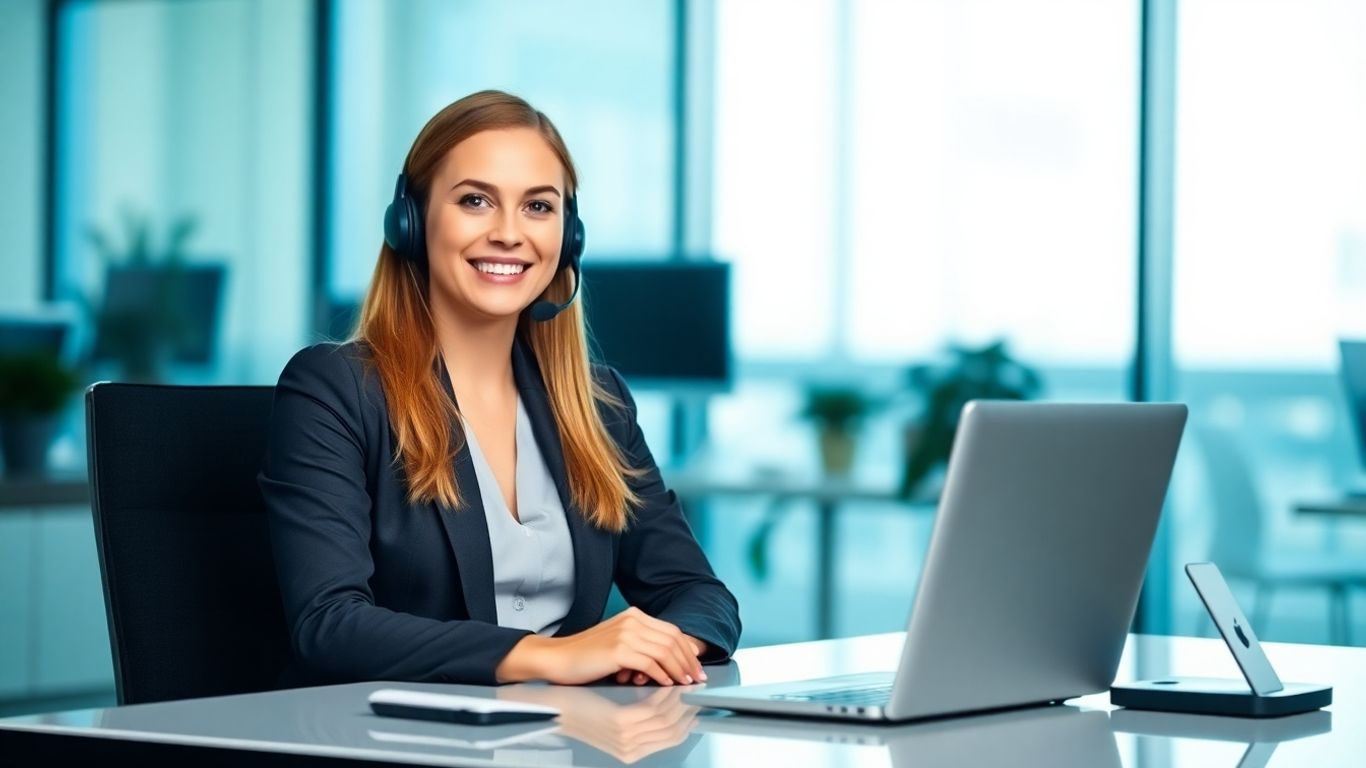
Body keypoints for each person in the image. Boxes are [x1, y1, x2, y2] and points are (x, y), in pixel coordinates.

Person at [259, 90, 740, 688]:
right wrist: (553, 656)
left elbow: (700, 595)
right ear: (410, 221)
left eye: (538, 207)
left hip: (569, 738)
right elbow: (330, 625)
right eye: (476, 200)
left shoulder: (596, 406)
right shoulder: (336, 391)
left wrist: (662, 647)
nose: (509, 233)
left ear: (569, 237)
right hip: (394, 741)